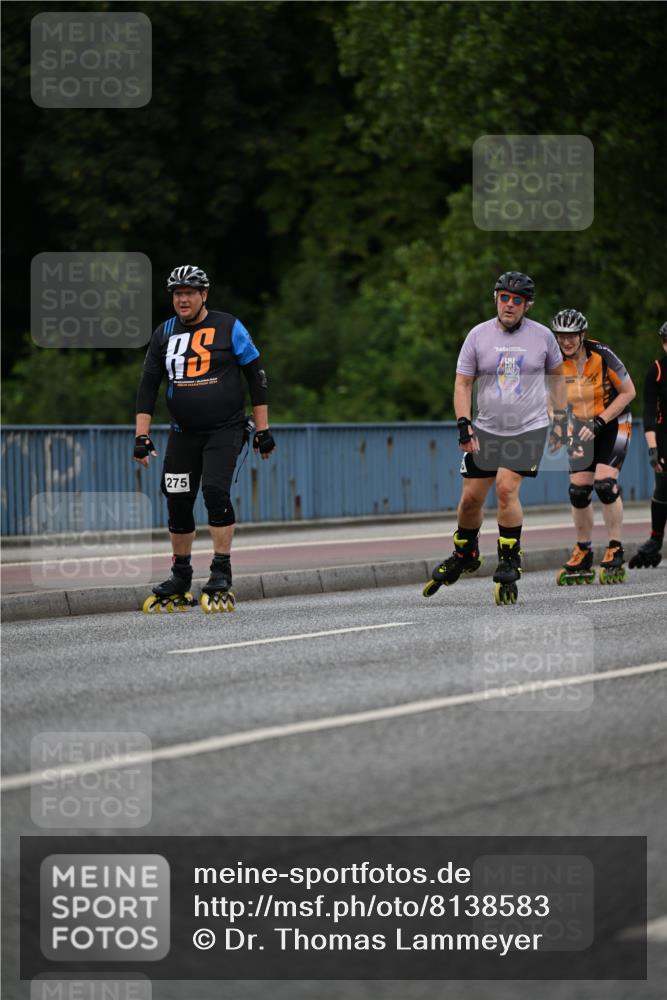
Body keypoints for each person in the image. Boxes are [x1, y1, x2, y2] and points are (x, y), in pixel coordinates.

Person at [134, 264, 275, 613]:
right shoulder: (164, 333)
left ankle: (220, 571)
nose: (182, 299)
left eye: (189, 293)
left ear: (204, 295)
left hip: (224, 430)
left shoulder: (229, 326)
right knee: (178, 500)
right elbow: (148, 386)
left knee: (214, 492)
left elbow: (256, 377)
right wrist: (141, 435)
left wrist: (263, 429)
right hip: (182, 433)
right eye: (177, 294)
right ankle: (181, 576)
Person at [423, 270, 567, 605]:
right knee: (470, 500)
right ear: (495, 299)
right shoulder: (477, 336)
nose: (510, 305)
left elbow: (558, 379)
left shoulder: (543, 337)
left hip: (528, 427)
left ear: (527, 305)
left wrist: (559, 418)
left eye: (517, 300)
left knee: (505, 487)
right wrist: (463, 422)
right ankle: (465, 553)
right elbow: (463, 384)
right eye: (505, 298)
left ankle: (509, 558)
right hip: (486, 429)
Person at [551, 309, 636, 585]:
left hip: (613, 421)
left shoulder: (602, 354)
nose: (566, 342)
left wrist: (601, 420)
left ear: (582, 335)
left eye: (571, 336)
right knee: (578, 490)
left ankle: (615, 546)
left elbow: (629, 392)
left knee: (604, 484)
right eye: (561, 336)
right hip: (581, 427)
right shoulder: (553, 362)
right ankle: (584, 550)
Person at [629, 320, 667, 569]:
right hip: (664, 436)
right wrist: (653, 450)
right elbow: (649, 414)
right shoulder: (656, 371)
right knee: (663, 485)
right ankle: (655, 540)